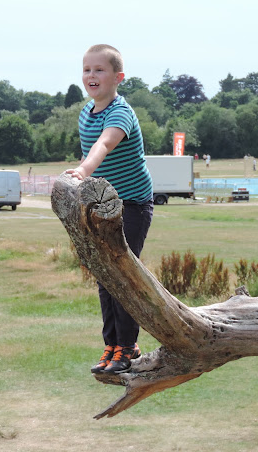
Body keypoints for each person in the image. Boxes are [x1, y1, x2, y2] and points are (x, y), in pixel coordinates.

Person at [65, 44, 153, 375]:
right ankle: (112, 344)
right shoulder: (85, 113)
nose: (91, 75)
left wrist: (83, 171)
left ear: (118, 77)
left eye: (99, 70)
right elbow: (92, 145)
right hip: (104, 204)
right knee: (105, 274)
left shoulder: (120, 113)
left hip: (131, 204)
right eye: (87, 69)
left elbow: (103, 144)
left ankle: (128, 347)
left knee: (123, 274)